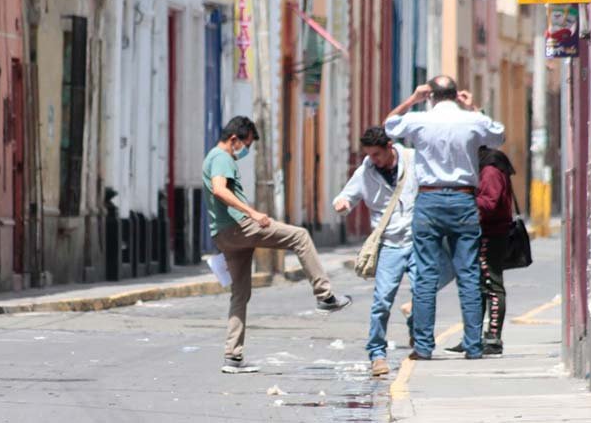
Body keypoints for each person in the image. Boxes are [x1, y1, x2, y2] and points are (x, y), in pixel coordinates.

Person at [204, 116, 352, 374]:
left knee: (240, 294)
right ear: (234, 139)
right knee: (300, 236)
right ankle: (325, 295)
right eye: (245, 144)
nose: (245, 150)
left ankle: (233, 357)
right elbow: (219, 189)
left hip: (223, 234)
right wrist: (252, 213)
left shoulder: (213, 156)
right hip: (240, 227)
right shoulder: (221, 157)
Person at [385, 76, 504, 360]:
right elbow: (498, 135)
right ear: (455, 95)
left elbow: (388, 126)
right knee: (469, 274)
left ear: (431, 96)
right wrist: (473, 106)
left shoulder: (420, 119)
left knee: (425, 275)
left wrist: (412, 99)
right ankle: (474, 346)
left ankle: (424, 347)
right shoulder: (472, 121)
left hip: (429, 199)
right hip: (464, 199)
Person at [334, 126, 442, 377]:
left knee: (423, 294)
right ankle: (377, 354)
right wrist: (343, 204)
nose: (374, 160)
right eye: (370, 155)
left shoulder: (414, 160)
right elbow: (346, 197)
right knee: (382, 301)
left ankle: (420, 338)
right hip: (390, 245)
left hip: (418, 240)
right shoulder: (366, 171)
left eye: (377, 155)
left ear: (389, 147)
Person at [447, 147, 516, 356]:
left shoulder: (490, 171)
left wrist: (462, 198)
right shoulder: (487, 168)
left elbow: (490, 202)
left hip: (491, 233)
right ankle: (473, 336)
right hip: (485, 232)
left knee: (492, 284)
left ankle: (493, 338)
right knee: (478, 286)